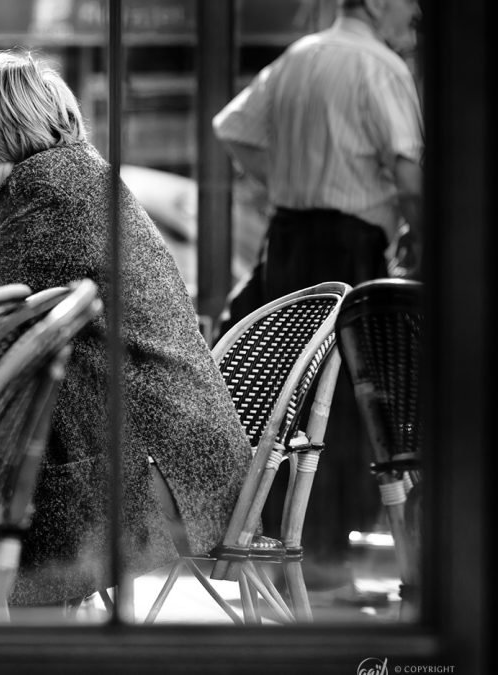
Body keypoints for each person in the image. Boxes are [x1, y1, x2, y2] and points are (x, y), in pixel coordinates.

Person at [0, 50, 251, 607]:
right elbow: (25, 323)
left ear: (6, 132)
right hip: (186, 459)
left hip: (160, 474)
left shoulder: (46, 193)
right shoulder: (68, 178)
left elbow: (5, 352)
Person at [211, 0, 423, 595]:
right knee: (348, 403)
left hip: (290, 243)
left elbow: (232, 130)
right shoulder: (378, 65)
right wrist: (424, 237)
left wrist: (282, 180)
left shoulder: (298, 58)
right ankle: (325, 554)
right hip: (348, 247)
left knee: (293, 396)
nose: (413, 15)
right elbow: (410, 176)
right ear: (378, 2)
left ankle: (292, 543)